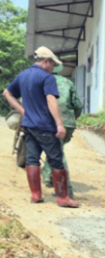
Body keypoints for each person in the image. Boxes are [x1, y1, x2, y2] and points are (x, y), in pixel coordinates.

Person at [2, 47, 77, 208]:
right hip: (45, 126)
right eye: (52, 64)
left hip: (28, 125)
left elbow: (7, 93)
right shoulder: (47, 77)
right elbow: (51, 100)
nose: (53, 68)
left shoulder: (22, 75)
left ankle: (36, 195)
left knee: (32, 159)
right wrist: (59, 124)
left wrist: (22, 110)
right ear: (46, 61)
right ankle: (63, 198)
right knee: (56, 161)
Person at [41, 64, 84, 198]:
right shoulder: (67, 82)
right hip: (68, 123)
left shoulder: (41, 81)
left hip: (50, 123)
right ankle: (49, 178)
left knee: (57, 153)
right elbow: (78, 105)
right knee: (55, 149)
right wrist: (71, 119)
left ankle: (66, 189)